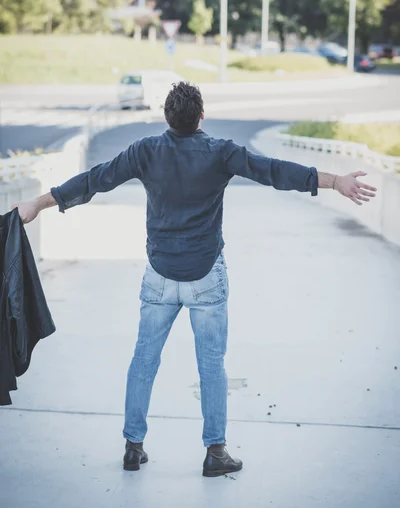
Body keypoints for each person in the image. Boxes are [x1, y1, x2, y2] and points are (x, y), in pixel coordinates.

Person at [13, 82, 377, 477]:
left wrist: (39, 202)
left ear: (167, 117)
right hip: (206, 277)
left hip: (159, 276)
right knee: (210, 366)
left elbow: (93, 180)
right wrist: (334, 181)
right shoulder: (221, 152)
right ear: (201, 115)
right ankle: (215, 453)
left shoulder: (145, 151)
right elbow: (274, 171)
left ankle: (133, 448)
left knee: (143, 361)